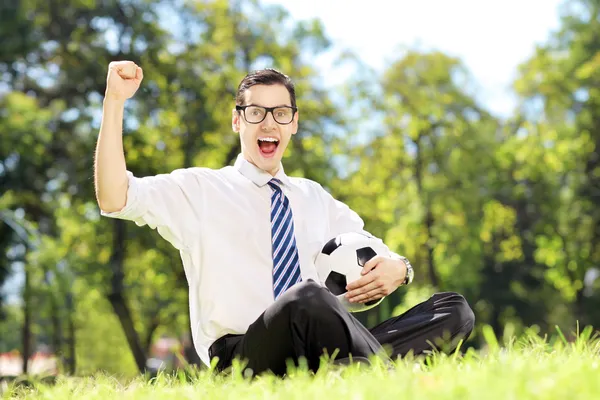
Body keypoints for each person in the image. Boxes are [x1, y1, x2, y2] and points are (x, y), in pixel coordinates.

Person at [95, 61, 475, 376]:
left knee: (452, 309)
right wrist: (114, 101)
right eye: (256, 112)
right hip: (244, 356)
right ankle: (381, 374)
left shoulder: (314, 197)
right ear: (237, 121)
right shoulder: (200, 189)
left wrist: (400, 268)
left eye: (281, 113)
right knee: (308, 297)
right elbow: (114, 197)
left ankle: (351, 372)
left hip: (321, 346)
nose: (269, 123)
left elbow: (374, 251)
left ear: (293, 122)